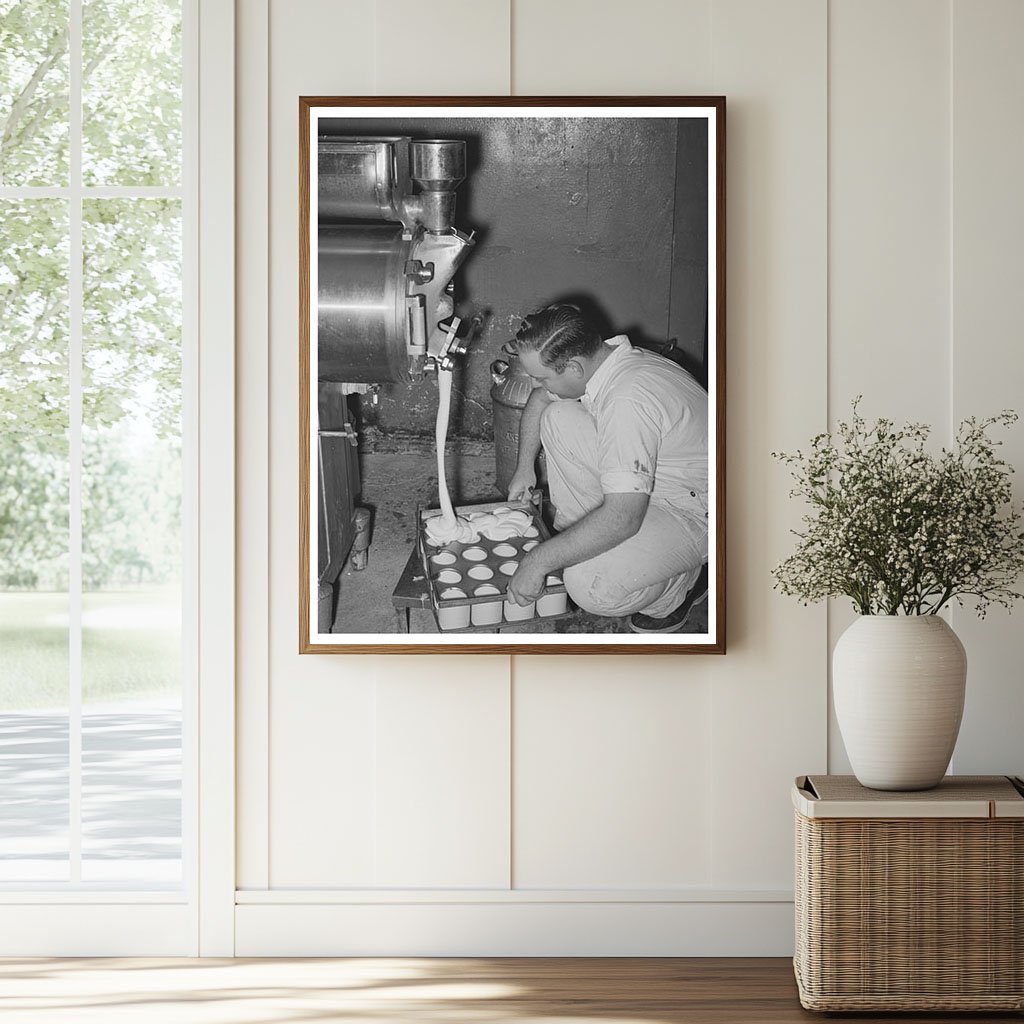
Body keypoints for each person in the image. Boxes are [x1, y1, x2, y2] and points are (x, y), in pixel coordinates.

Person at [505, 302, 709, 633]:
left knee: (588, 586)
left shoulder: (627, 401)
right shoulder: (609, 360)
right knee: (558, 416)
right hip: (661, 477)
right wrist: (524, 467)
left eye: (540, 377)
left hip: (696, 508)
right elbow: (541, 401)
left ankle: (681, 586)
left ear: (573, 368)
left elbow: (623, 518)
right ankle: (584, 543)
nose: (537, 385)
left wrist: (537, 561)